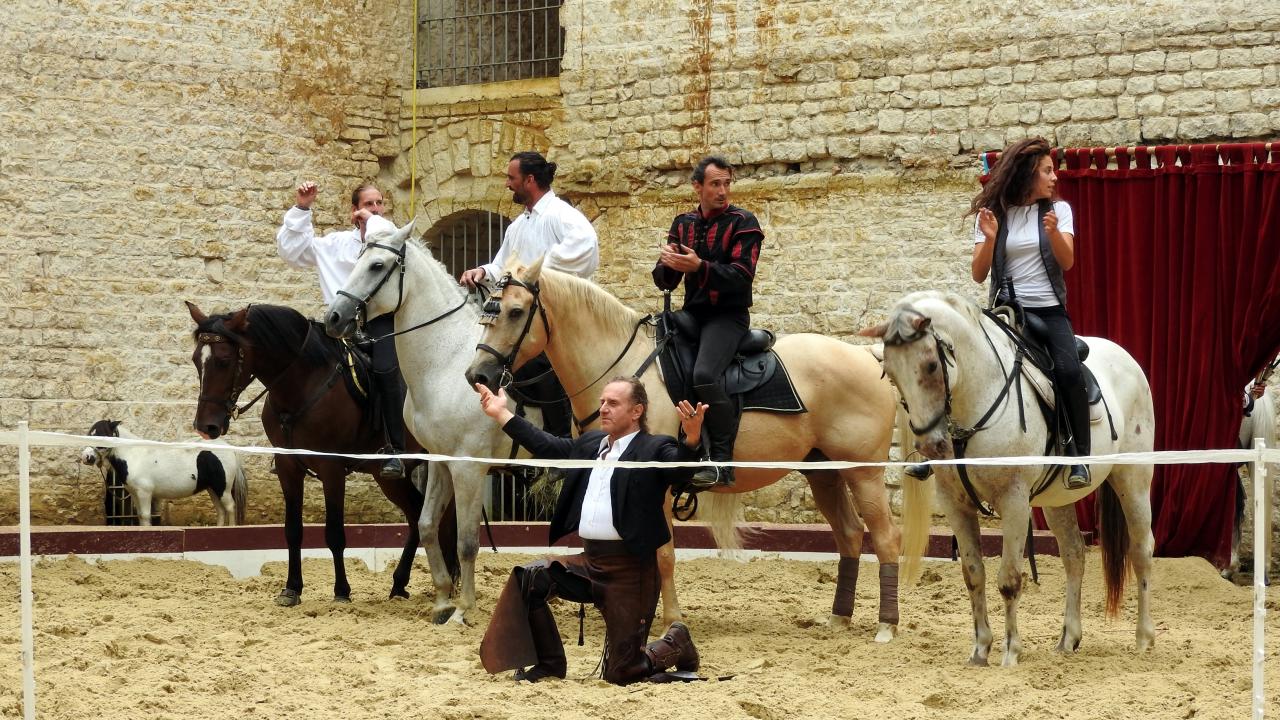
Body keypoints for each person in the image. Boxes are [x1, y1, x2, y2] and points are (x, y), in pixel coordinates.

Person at [475, 376, 707, 685]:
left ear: (636, 411)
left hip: (631, 573)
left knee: (622, 673)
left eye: (613, 403)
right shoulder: (589, 444)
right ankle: (550, 664)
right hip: (590, 562)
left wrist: (691, 440)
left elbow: (680, 470)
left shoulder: (655, 447)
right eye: (602, 403)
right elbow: (546, 445)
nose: (604, 409)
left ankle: (676, 641)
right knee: (530, 578)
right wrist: (502, 413)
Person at [972, 136, 1089, 490]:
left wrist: (1053, 234)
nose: (1054, 178)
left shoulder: (1059, 211)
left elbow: (1067, 261)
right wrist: (990, 240)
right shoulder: (992, 215)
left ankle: (1078, 457)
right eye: (1047, 171)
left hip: (1049, 311)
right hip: (1005, 312)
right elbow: (978, 274)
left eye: (1053, 170)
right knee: (964, 366)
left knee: (1069, 372)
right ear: (1028, 174)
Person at [459, 151, 599, 437]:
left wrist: (537, 273)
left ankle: (560, 449)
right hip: (525, 317)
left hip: (560, 320)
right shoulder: (518, 226)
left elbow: (586, 245)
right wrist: (483, 272)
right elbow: (503, 267)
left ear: (530, 180)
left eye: (511, 178)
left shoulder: (561, 215)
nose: (507, 184)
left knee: (547, 373)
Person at [275, 181, 408, 480]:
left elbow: (382, 233)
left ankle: (394, 450)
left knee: (387, 371)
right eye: (368, 204)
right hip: (337, 327)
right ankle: (290, 442)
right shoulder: (335, 244)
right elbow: (291, 252)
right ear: (353, 209)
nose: (375, 209)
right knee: (299, 365)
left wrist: (371, 221)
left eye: (379, 203)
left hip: (379, 323)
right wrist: (302, 207)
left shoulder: (392, 241)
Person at [652, 155, 764, 489]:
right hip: (692, 315)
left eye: (727, 183)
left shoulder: (744, 222)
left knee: (703, 374)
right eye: (715, 184)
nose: (723, 191)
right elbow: (664, 282)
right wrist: (669, 265)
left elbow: (742, 277)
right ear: (697, 186)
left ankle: (721, 461)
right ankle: (682, 451)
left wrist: (699, 267)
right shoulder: (682, 223)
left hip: (727, 317)